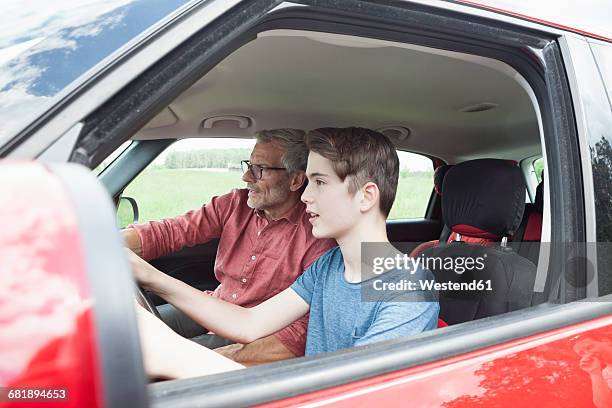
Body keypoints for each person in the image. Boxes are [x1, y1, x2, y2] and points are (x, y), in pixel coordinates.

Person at [131, 127, 440, 379]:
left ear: (366, 196)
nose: (304, 195)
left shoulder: (409, 291)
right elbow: (248, 324)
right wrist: (149, 276)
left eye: (319, 182)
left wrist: (178, 359)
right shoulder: (330, 267)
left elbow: (347, 396)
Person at [123, 128, 335, 365]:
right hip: (221, 310)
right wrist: (102, 242)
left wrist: (212, 362)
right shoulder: (236, 204)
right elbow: (171, 231)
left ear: (295, 180)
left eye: (260, 169)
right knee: (125, 333)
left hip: (255, 336)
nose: (246, 177)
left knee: (146, 360)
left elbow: (296, 335)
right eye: (249, 165)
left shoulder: (330, 247)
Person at [572, 334, 612, 408]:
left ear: (606, 341)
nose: (588, 354)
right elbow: (605, 405)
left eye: (590, 347)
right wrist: (594, 373)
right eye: (582, 353)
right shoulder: (604, 375)